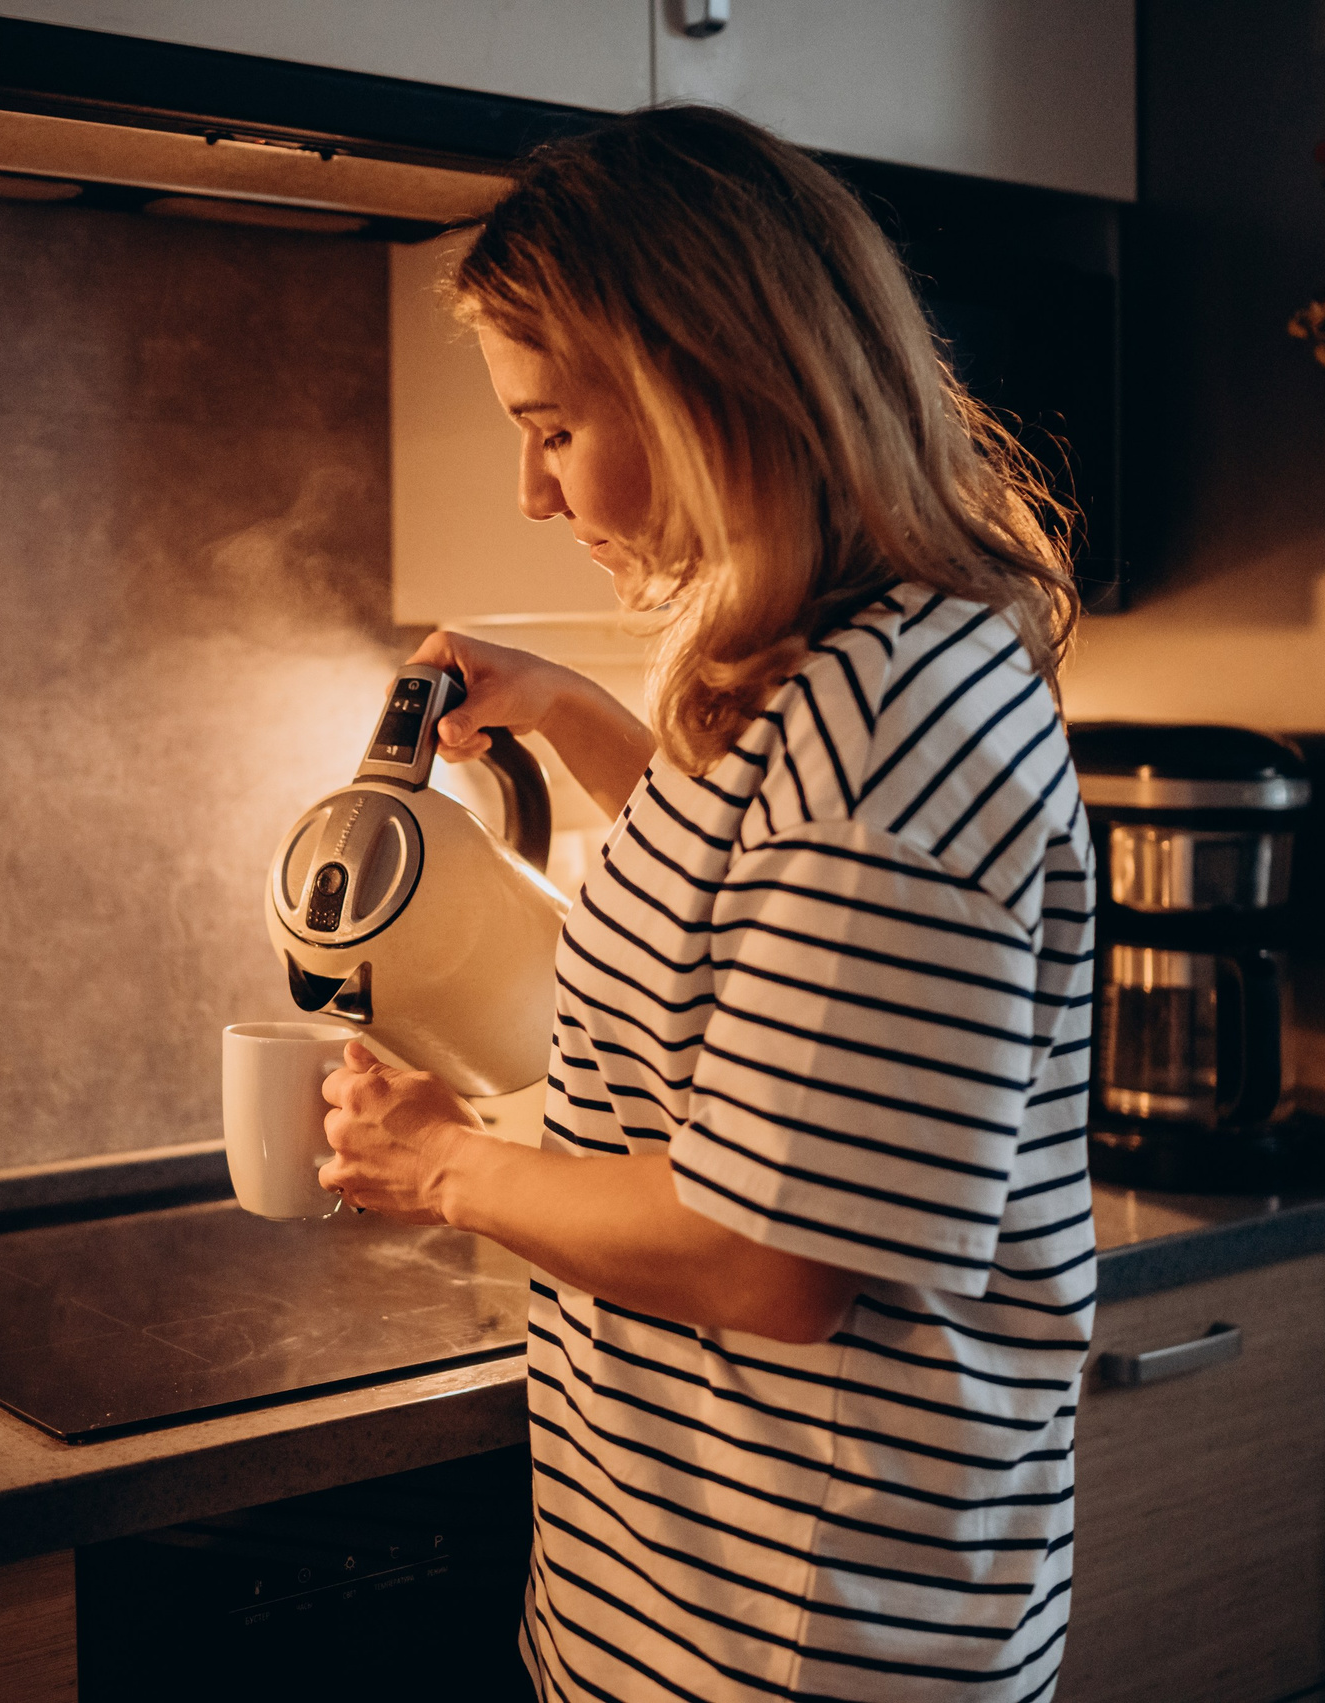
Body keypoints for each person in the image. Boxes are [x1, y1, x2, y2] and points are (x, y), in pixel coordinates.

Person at [317, 107, 1097, 1702]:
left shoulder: (883, 729)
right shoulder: (833, 669)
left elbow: (769, 1257)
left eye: (549, 427)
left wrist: (446, 1161)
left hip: (803, 1644)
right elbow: (752, 914)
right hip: (692, 1610)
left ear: (698, 386)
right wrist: (574, 715)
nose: (533, 493)